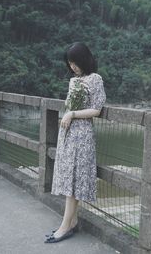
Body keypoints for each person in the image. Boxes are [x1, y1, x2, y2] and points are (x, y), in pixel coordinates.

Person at [44, 42, 106, 243]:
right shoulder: (73, 80)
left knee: (74, 181)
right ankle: (72, 222)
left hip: (82, 136)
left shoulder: (95, 79)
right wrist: (69, 114)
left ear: (84, 59)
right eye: (70, 63)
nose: (73, 67)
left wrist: (72, 113)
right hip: (68, 135)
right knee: (69, 178)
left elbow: (96, 109)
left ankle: (64, 227)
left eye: (75, 62)